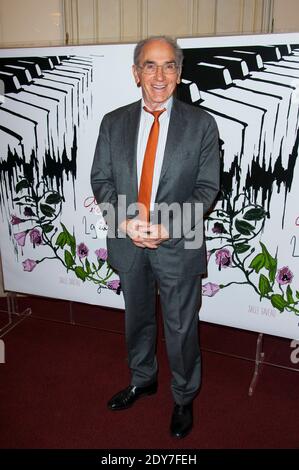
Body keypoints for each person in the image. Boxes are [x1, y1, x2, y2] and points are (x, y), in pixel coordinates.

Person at [91, 36, 220, 439]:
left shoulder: (201, 125)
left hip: (177, 243)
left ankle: (183, 397)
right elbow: (101, 179)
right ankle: (143, 379)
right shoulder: (113, 122)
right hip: (130, 241)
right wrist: (126, 222)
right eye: (150, 65)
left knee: (181, 328)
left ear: (179, 75)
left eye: (169, 66)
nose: (159, 75)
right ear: (136, 73)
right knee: (138, 320)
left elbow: (207, 188)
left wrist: (168, 226)